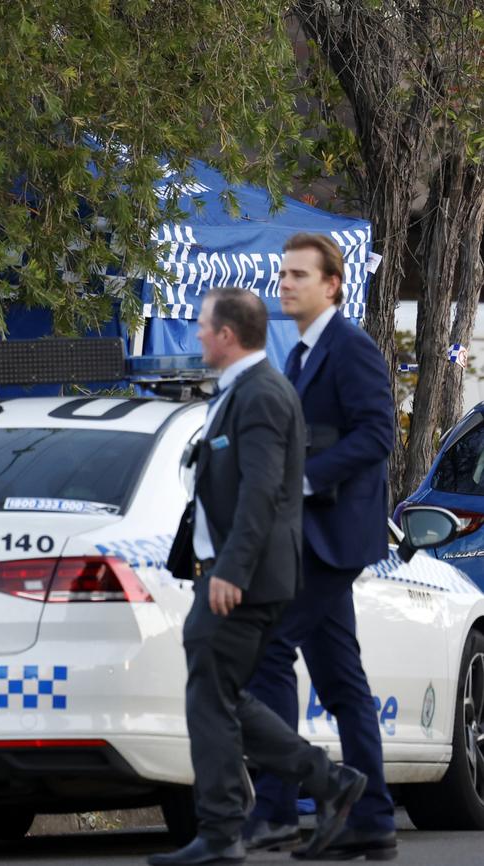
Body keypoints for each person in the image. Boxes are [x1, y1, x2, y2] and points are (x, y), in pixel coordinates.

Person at [148, 287, 366, 866]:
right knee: (218, 695)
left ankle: (221, 832)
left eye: (202, 327)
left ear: (227, 334)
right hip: (222, 573)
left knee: (210, 697)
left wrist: (231, 571)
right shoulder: (239, 390)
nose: (195, 335)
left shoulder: (263, 394)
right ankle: (326, 781)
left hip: (241, 578)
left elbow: (262, 490)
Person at [243, 233, 397, 861]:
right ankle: (373, 820)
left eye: (299, 275)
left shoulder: (350, 348)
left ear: (332, 284)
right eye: (282, 274)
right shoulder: (301, 356)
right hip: (309, 537)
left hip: (336, 536)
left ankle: (278, 810)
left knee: (268, 651)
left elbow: (379, 432)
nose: (285, 284)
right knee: (343, 684)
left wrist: (307, 477)